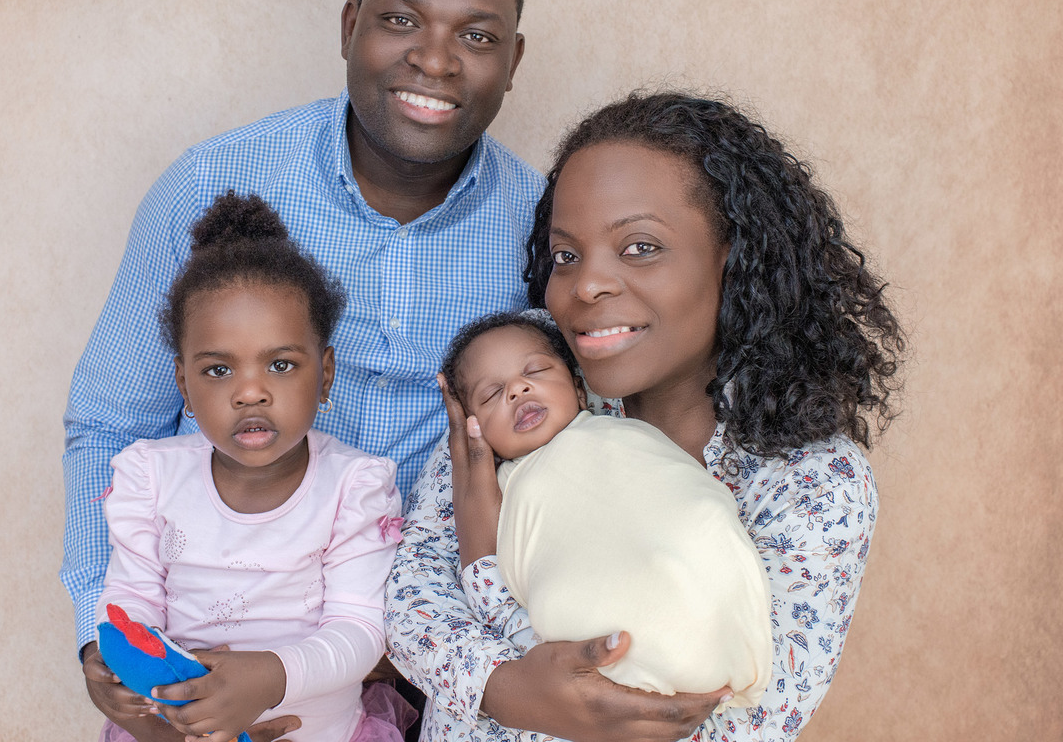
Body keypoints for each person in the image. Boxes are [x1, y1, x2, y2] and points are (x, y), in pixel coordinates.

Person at [62, 0, 543, 738]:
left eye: (476, 35)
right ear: (352, 26)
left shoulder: (543, 231)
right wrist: (107, 644)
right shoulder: (209, 183)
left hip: (445, 674)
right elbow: (109, 421)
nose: (435, 59)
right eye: (401, 19)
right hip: (198, 670)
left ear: (513, 62)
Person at [386, 91, 905, 742]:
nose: (586, 285)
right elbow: (412, 602)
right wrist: (504, 687)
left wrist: (495, 604)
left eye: (639, 247)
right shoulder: (530, 369)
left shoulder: (812, 480)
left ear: (733, 255)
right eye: (566, 255)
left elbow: (749, 722)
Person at [95, 191, 412, 742]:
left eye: (281, 364)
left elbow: (360, 631)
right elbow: (130, 603)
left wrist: (269, 678)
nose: (250, 392)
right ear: (183, 384)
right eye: (218, 370)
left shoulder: (354, 487)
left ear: (325, 373)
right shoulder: (151, 478)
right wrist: (137, 677)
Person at [437, 310, 773, 708]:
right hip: (597, 649)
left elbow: (681, 492)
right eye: (492, 394)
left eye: (536, 371)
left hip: (692, 593)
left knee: (703, 520)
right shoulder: (492, 490)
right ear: (473, 429)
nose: (517, 390)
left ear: (579, 390)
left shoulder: (621, 432)